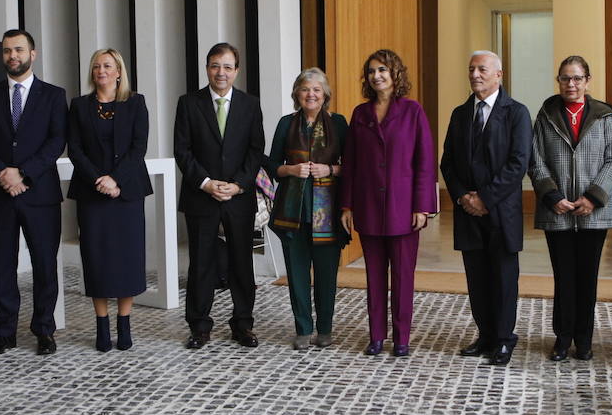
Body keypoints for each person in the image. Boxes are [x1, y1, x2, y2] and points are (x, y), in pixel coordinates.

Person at [0, 29, 68, 356]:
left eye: (19, 50)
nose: (13, 56)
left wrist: (24, 173)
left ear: (32, 54)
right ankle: (4, 332)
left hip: (39, 194)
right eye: (7, 51)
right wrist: (3, 173)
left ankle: (44, 330)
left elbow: (57, 141)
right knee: (2, 265)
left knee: (44, 265)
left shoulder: (54, 95)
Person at [340, 49, 437, 357]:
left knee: (403, 276)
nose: (376, 75)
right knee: (374, 275)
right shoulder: (360, 114)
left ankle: (402, 337)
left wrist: (423, 206)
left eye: (382, 69)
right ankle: (377, 336)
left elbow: (424, 161)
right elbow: (351, 163)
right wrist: (347, 205)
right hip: (368, 207)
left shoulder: (413, 111)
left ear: (396, 74)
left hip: (404, 208)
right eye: (371, 71)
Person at [528, 54, 612, 362]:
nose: (571, 84)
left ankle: (584, 339)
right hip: (558, 211)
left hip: (592, 212)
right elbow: (536, 159)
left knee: (587, 277)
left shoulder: (606, 116)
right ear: (559, 81)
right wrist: (551, 194)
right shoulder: (545, 114)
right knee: (564, 277)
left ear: (587, 81)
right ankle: (562, 337)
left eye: (577, 78)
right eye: (565, 78)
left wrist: (594, 196)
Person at [440, 50, 531, 367]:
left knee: (504, 278)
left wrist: (485, 199)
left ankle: (505, 339)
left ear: (499, 75)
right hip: (468, 213)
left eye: (482, 69)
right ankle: (486, 335)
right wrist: (464, 197)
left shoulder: (516, 113)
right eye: (471, 69)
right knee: (477, 278)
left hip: (501, 213)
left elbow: (518, 163)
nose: (475, 74)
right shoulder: (459, 114)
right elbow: (447, 162)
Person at [173, 42, 265, 350]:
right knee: (201, 262)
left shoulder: (251, 105)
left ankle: (243, 324)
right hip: (202, 196)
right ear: (207, 68)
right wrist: (206, 182)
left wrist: (238, 185)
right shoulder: (189, 103)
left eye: (227, 67)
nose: (221, 72)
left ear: (236, 70)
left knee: (242, 263)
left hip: (239, 197)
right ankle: (199, 326)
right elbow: (182, 151)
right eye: (215, 66)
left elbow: (255, 152)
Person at [67, 48, 151, 352]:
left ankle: (124, 322)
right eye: (96, 66)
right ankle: (102, 325)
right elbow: (75, 149)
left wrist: (116, 179)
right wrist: (98, 180)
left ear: (118, 72)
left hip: (127, 193)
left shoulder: (135, 103)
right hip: (92, 194)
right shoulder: (78, 106)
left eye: (107, 66)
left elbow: (138, 146)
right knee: (97, 258)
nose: (101, 70)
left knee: (127, 259)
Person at [268, 68, 349, 349]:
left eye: (316, 89)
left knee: (327, 273)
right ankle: (303, 327)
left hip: (327, 211)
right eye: (305, 89)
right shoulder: (285, 123)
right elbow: (271, 165)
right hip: (293, 212)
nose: (310, 94)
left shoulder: (338, 123)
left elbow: (353, 165)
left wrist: (330, 168)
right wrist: (291, 168)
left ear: (325, 94)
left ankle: (325, 328)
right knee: (297, 272)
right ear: (296, 94)